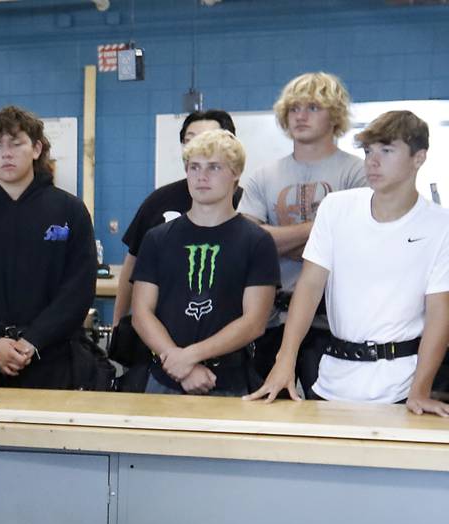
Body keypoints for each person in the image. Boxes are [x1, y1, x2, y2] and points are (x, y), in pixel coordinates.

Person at [247, 110, 449, 414]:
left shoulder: (440, 225)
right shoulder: (336, 208)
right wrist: (284, 362)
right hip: (332, 380)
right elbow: (310, 286)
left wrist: (420, 389)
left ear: (418, 158)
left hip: (400, 385)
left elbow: (439, 313)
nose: (373, 161)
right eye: (368, 151)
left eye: (387, 150)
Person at [0, 105, 96, 389]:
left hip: (53, 356)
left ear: (37, 149)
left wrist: (32, 341)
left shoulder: (69, 211)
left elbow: (78, 292)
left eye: (16, 144)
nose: (6, 153)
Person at [238, 72, 368, 393]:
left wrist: (280, 240)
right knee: (263, 414)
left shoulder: (358, 172)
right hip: (271, 318)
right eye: (294, 108)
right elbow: (251, 242)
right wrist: (322, 232)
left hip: (331, 321)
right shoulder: (264, 175)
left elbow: (356, 242)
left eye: (312, 107)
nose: (300, 115)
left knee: (325, 415)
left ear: (334, 115)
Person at [131, 130, 279, 396]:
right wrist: (178, 361)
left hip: (228, 381)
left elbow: (254, 322)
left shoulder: (257, 241)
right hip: (164, 377)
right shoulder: (158, 238)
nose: (202, 176)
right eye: (194, 167)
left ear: (235, 173)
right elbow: (141, 314)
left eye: (214, 167)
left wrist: (189, 357)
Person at [111, 109, 241, 331]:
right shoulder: (159, 201)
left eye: (207, 140)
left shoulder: (246, 206)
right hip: (160, 334)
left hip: (223, 335)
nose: (199, 148)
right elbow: (132, 265)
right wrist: (117, 324)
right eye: (190, 141)